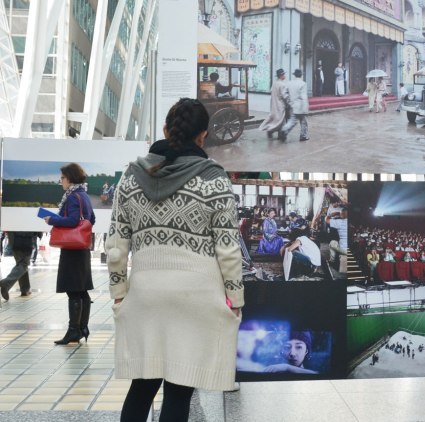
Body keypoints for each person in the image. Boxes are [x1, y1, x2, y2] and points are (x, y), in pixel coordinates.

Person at [105, 98, 244, 422]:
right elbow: (228, 248)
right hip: (197, 297)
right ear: (203, 136)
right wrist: (235, 298)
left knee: (141, 389)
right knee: (179, 392)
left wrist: (118, 293)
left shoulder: (131, 176)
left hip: (146, 295)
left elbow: (116, 245)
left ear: (166, 130)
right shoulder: (214, 179)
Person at [43, 163, 95, 345]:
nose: (61, 182)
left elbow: (73, 220)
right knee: (82, 290)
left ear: (70, 178)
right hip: (82, 248)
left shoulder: (73, 197)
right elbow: (91, 219)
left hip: (72, 250)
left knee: (73, 290)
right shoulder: (84, 195)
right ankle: (82, 327)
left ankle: (74, 331)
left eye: (63, 178)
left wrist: (53, 219)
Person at [0, 232, 40, 300]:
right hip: (26, 238)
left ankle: (25, 289)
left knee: (20, 264)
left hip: (13, 238)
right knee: (23, 264)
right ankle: (6, 283)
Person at [259, 69, 290, 140]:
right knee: (281, 120)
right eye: (284, 75)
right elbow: (285, 96)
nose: (285, 76)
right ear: (281, 75)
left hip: (274, 104)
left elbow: (271, 91)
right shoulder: (282, 85)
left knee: (276, 120)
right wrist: (289, 103)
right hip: (280, 105)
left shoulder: (274, 83)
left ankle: (273, 131)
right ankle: (280, 134)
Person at [279, 69, 309, 142]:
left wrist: (289, 101)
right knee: (304, 122)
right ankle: (303, 136)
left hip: (292, 105)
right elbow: (303, 96)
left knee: (292, 121)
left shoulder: (289, 83)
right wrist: (305, 107)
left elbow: (284, 93)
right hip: (301, 106)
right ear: (301, 75)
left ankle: (284, 130)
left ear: (294, 75)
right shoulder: (303, 83)